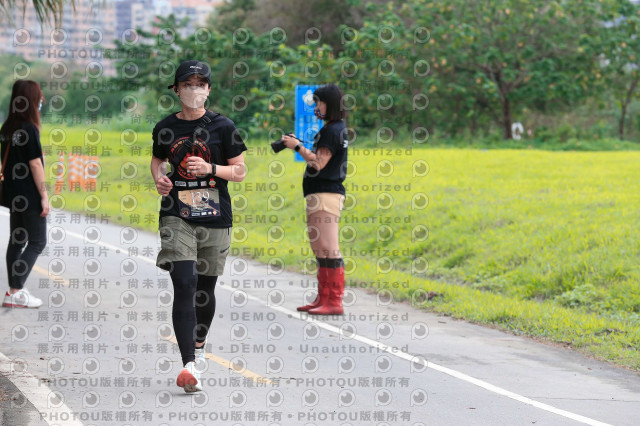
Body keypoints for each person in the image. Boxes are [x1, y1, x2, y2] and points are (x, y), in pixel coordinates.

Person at [151, 60, 247, 393]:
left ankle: (200, 342)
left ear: (208, 89)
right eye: (188, 84)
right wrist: (159, 179)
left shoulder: (224, 126)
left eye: (200, 84)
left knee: (205, 289)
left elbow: (240, 171)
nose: (194, 90)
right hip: (176, 214)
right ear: (176, 90)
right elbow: (158, 160)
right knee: (184, 283)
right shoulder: (165, 127)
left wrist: (210, 168)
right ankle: (189, 364)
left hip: (215, 216)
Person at [282, 84, 348, 315]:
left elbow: (318, 163)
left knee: (329, 248)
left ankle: (334, 301)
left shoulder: (333, 130)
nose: (316, 107)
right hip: (319, 194)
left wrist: (297, 146)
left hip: (326, 195)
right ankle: (323, 298)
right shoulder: (332, 128)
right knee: (320, 248)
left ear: (329, 103)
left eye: (319, 102)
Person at [1, 80, 48, 309]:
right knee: (37, 241)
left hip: (13, 195)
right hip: (30, 194)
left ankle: (13, 291)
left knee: (17, 241)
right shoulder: (29, 129)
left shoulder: (6, 129)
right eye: (39, 98)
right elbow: (35, 164)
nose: (41, 102)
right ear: (31, 100)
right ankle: (16, 290)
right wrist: (44, 196)